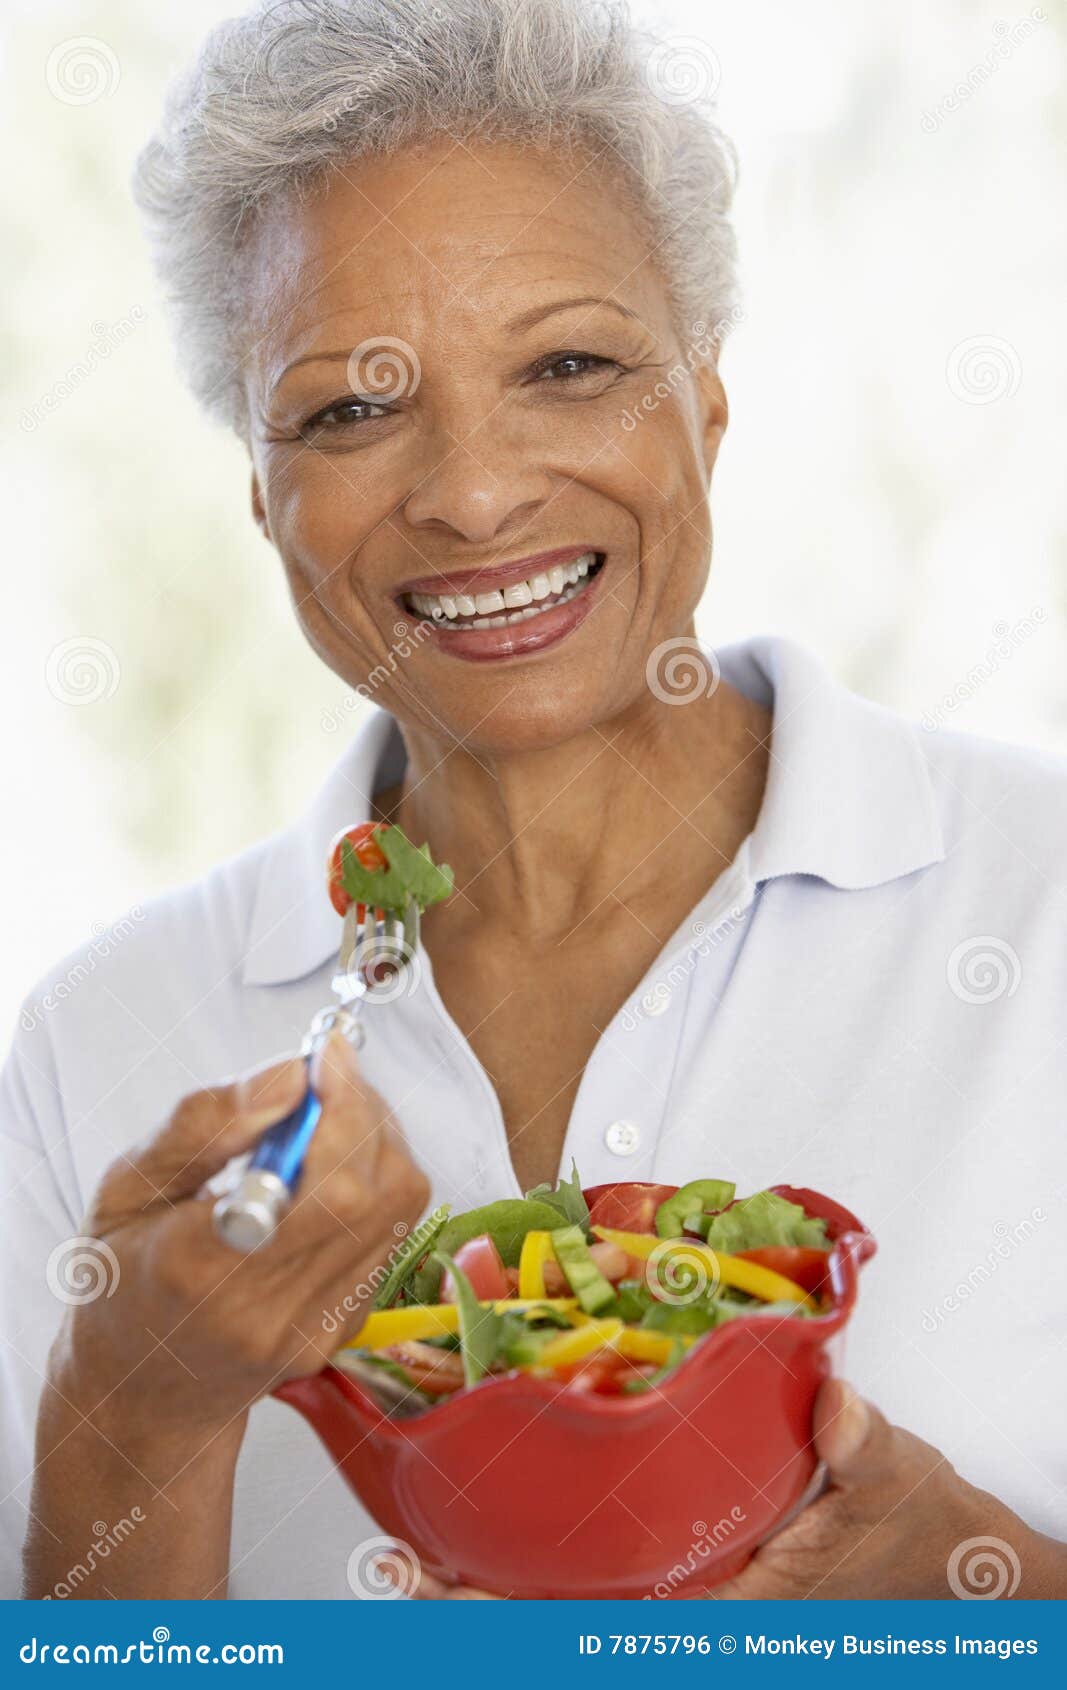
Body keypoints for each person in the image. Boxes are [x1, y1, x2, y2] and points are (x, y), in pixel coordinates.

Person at [2, 0, 1063, 1599]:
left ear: (705, 404)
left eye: (569, 365)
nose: (478, 492)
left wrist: (988, 1594)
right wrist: (134, 1413)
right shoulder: (104, 1046)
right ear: (262, 492)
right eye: (351, 409)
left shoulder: (1040, 902)